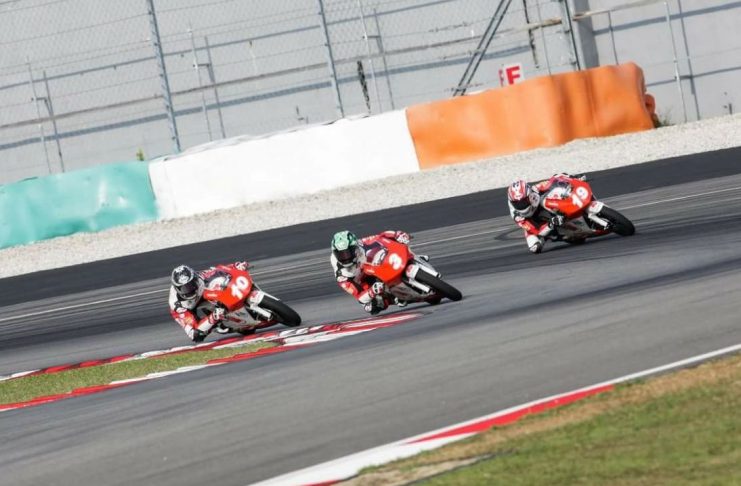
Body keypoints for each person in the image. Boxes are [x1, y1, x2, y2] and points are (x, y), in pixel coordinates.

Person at [330, 229, 412, 314]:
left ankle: (410, 261)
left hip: (372, 268)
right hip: (364, 283)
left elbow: (381, 236)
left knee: (388, 250)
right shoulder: (342, 277)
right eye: (341, 255)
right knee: (371, 307)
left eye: (348, 253)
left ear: (355, 248)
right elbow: (359, 297)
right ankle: (395, 298)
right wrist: (372, 291)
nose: (345, 258)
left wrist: (396, 234)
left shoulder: (361, 244)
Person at [169, 261, 251, 342]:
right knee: (196, 335)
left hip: (202, 294)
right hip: (187, 308)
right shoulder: (177, 306)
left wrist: (236, 266)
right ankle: (219, 322)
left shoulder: (200, 277)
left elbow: (218, 270)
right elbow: (194, 335)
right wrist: (213, 317)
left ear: (195, 279)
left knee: (219, 283)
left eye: (191, 285)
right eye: (184, 288)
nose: (189, 290)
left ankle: (236, 308)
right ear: (177, 288)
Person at [507, 173, 579, 253]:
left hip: (541, 209)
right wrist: (551, 224)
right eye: (517, 204)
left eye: (523, 202)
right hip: (534, 225)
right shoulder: (518, 217)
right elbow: (537, 231)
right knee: (535, 248)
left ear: (529, 195)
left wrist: (570, 178)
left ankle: (565, 210)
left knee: (549, 196)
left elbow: (551, 181)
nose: (521, 206)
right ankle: (552, 235)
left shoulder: (534, 190)